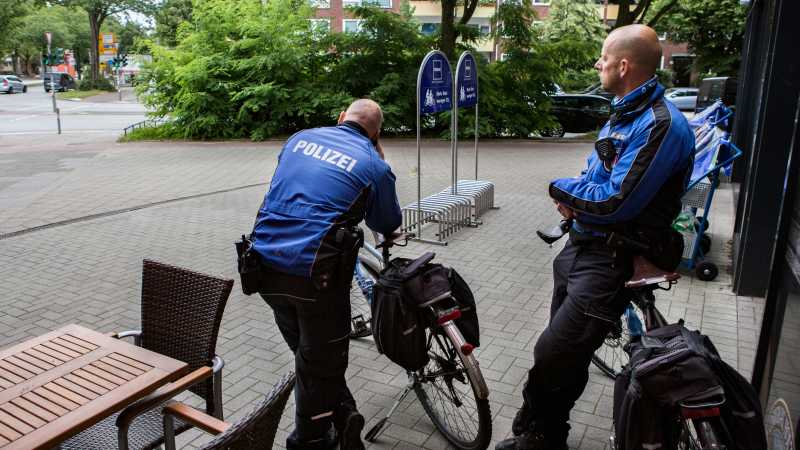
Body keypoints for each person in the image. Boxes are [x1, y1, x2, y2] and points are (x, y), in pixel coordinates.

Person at [497, 25, 695, 450]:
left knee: (554, 354)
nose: (597, 64)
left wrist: (559, 189)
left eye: (602, 58)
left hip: (612, 259)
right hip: (581, 249)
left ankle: (537, 432)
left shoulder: (658, 124)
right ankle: (548, 434)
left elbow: (614, 201)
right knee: (565, 355)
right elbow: (595, 177)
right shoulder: (624, 112)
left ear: (623, 66)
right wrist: (580, 196)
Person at [251, 99, 402, 450]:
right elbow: (386, 223)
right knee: (321, 361)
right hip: (315, 279)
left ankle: (345, 415)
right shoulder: (373, 164)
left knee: (312, 357)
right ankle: (309, 439)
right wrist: (377, 155)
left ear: (340, 118)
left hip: (264, 267)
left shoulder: (299, 139)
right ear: (377, 133)